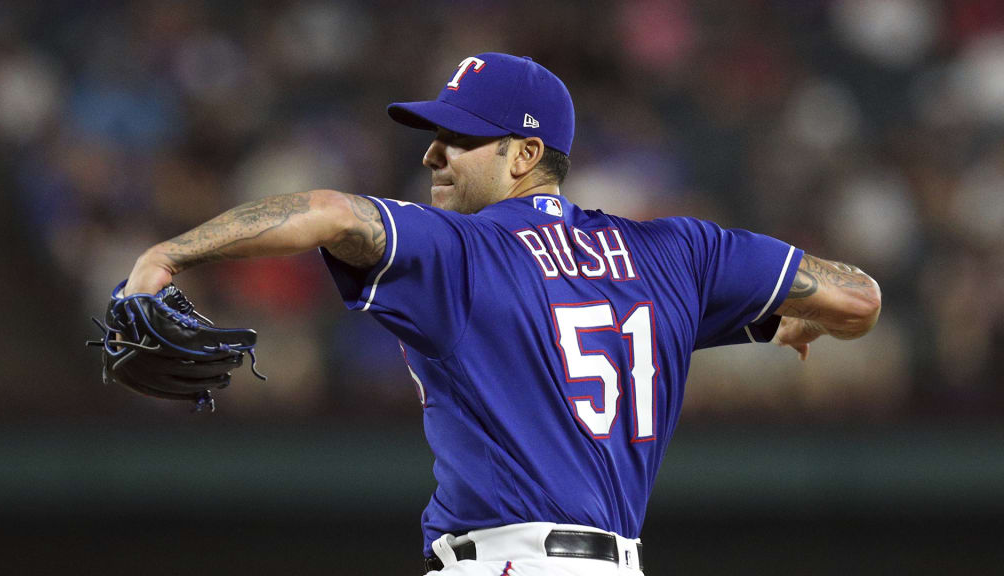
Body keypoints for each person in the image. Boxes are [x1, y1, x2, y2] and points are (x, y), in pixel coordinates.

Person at [122, 53, 881, 575]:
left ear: (523, 154)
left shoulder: (463, 250)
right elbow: (857, 298)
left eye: (457, 138)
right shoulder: (676, 253)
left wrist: (171, 253)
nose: (432, 156)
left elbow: (327, 211)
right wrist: (810, 319)